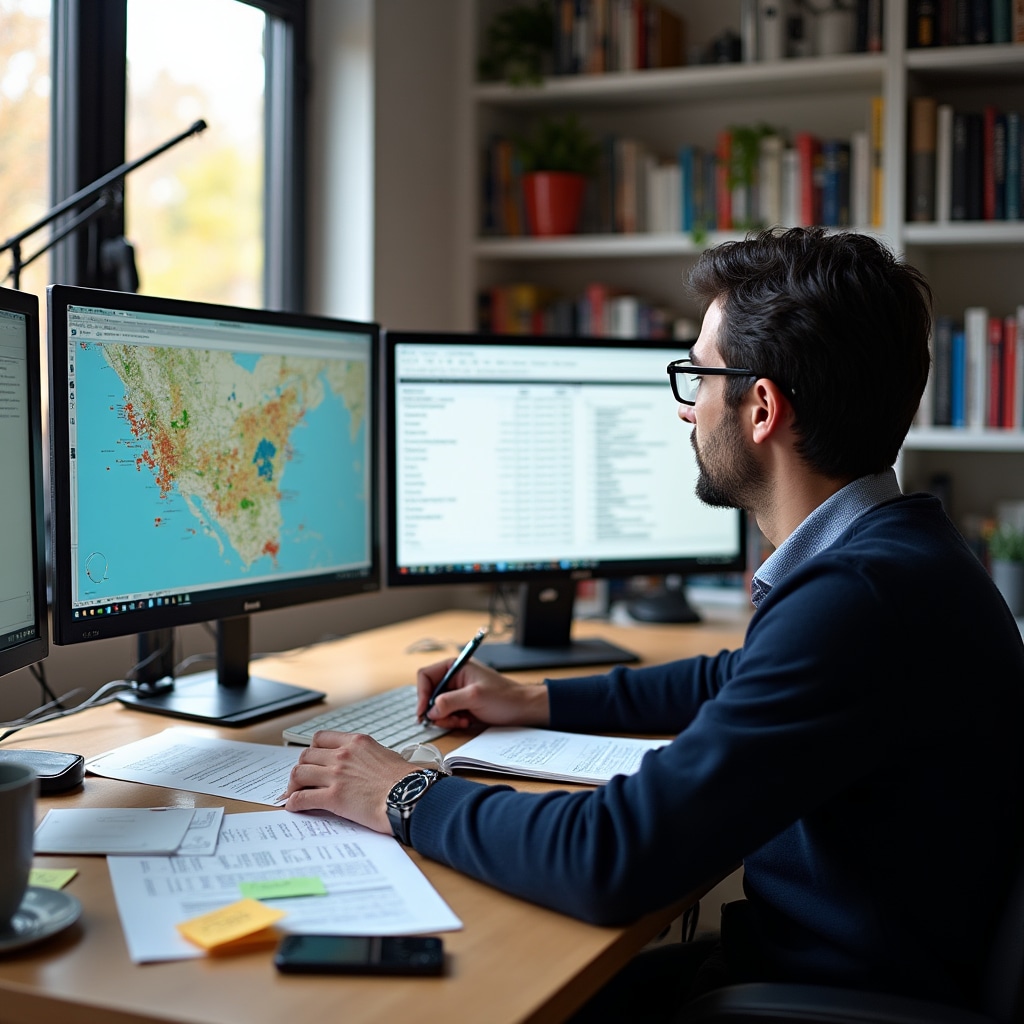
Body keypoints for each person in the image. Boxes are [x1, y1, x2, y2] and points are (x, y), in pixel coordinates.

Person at [283, 227, 1024, 1020]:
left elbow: (613, 856)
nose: (686, 408)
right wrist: (537, 702)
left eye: (697, 375)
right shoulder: (904, 552)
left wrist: (402, 792)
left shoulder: (858, 600)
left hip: (821, 995)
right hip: (836, 965)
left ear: (762, 408)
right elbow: (739, 677)